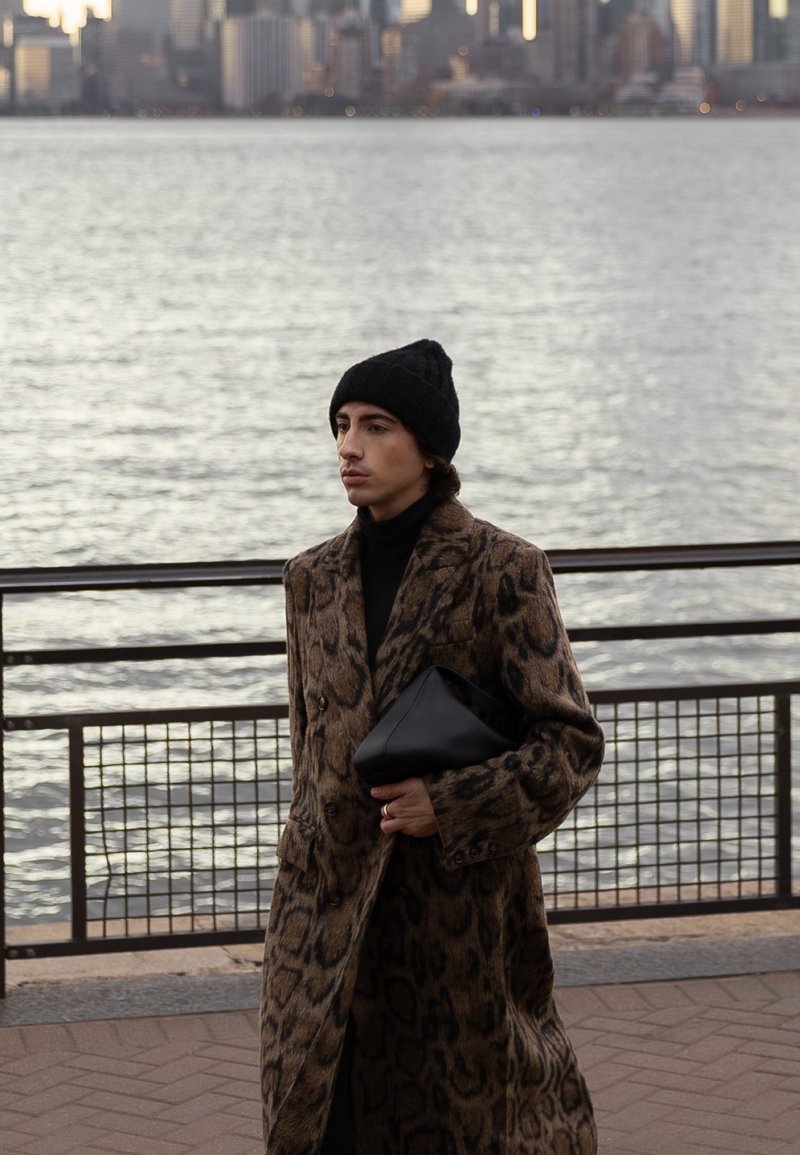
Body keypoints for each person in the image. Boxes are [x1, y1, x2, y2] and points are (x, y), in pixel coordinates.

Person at [260, 339, 605, 1155]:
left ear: (430, 447)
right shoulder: (309, 580)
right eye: (341, 425)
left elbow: (569, 744)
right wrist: (300, 886)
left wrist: (448, 805)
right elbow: (311, 755)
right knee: (321, 1130)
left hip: (452, 932)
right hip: (322, 930)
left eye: (376, 426)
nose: (349, 446)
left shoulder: (502, 570)